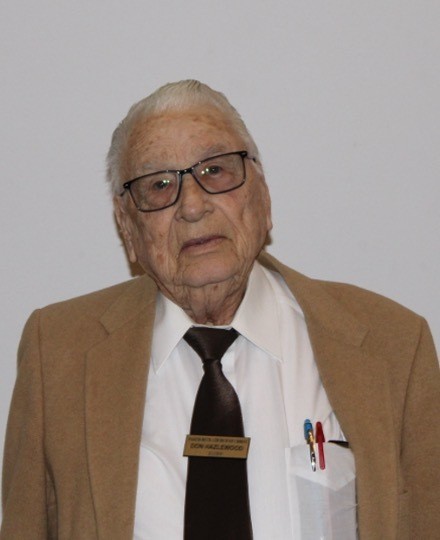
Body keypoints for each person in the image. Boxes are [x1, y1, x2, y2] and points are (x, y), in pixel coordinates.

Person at [1, 80, 439, 540]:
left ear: (263, 196)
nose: (192, 206)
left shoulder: (393, 344)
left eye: (215, 170)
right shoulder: (58, 353)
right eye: (159, 185)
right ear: (127, 228)